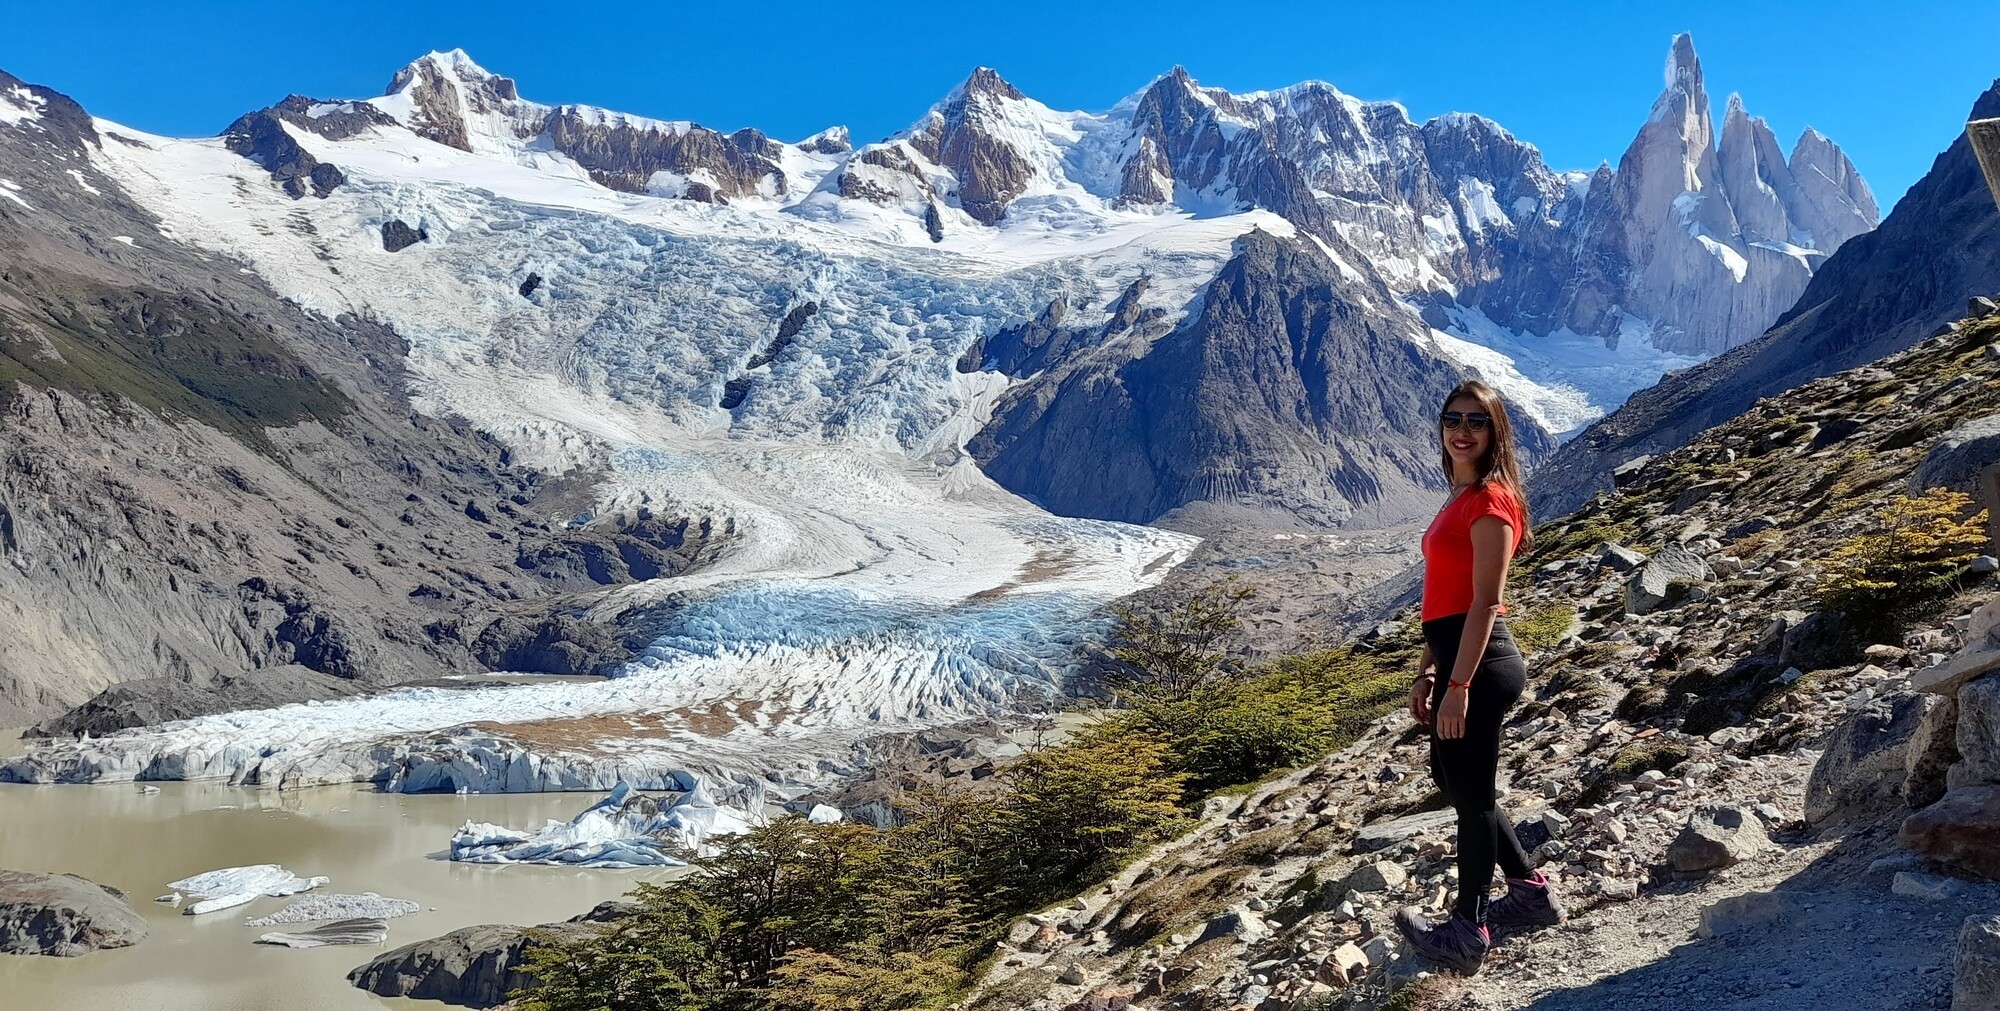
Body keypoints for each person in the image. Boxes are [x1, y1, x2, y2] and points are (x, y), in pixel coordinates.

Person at [1393, 380, 1565, 975]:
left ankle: (1467, 931)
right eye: (1452, 419)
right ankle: (1529, 893)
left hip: (1484, 666)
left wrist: (1458, 687)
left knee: (1472, 800)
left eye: (1477, 421)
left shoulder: (1491, 502)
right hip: (1459, 661)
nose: (1462, 429)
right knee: (1456, 779)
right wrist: (1427, 673)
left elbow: (1484, 604)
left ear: (1496, 433)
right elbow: (1443, 598)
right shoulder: (1459, 495)